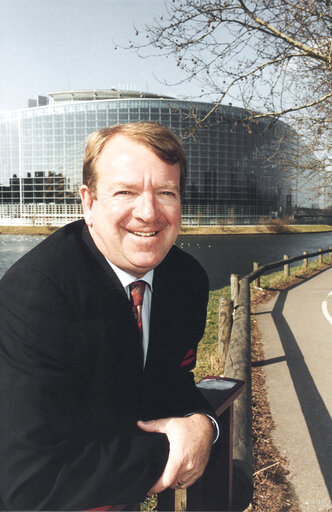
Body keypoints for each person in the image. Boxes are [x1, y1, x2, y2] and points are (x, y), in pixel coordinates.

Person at [0, 122, 217, 511]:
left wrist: (204, 424)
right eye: (125, 192)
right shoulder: (36, 294)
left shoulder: (186, 279)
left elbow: (169, 385)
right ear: (88, 202)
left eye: (166, 192)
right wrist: (171, 447)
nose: (149, 213)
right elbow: (30, 482)